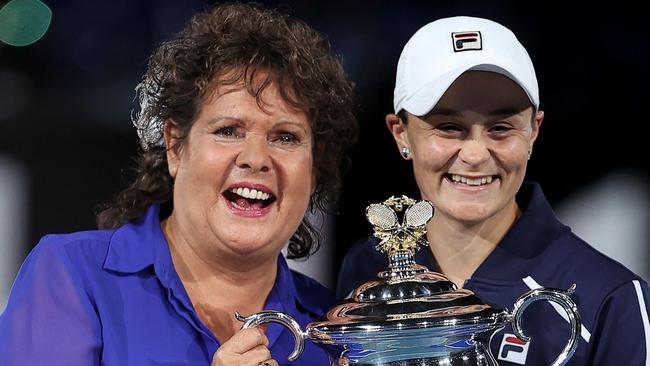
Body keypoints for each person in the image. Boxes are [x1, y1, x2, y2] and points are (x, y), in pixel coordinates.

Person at [0, 3, 357, 366]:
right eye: (228, 131)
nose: (256, 157)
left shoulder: (334, 330)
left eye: (285, 137)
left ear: (314, 164)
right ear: (175, 145)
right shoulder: (73, 276)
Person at [336, 16, 649, 364]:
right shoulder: (365, 268)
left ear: (533, 131)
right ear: (400, 134)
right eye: (449, 127)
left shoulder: (607, 297)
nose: (474, 155)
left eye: (501, 128)